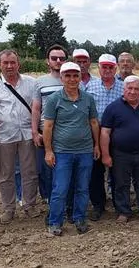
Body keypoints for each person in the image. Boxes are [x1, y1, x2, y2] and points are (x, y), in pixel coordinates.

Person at [43, 62, 100, 236]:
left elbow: (93, 123)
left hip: (85, 151)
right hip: (62, 152)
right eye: (67, 76)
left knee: (82, 187)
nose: (72, 79)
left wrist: (96, 144)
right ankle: (55, 222)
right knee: (60, 189)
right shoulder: (54, 99)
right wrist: (48, 151)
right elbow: (48, 126)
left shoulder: (88, 98)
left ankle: (79, 218)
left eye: (75, 75)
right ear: (61, 78)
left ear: (80, 78)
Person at [0, 49, 41, 223]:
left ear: (19, 64)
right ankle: (9, 208)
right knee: (5, 174)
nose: (9, 66)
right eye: (5, 63)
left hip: (27, 134)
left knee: (30, 172)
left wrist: (35, 130)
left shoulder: (32, 83)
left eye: (13, 62)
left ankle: (29, 205)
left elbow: (36, 108)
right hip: (4, 135)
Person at [100, 75, 139, 224]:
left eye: (136, 89)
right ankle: (123, 211)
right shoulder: (113, 108)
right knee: (120, 183)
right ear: (124, 89)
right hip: (120, 154)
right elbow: (105, 132)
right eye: (129, 88)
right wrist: (106, 155)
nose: (132, 92)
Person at [85, 53, 124, 220]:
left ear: (115, 68)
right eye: (104, 67)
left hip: (117, 135)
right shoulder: (89, 87)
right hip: (95, 134)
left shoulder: (123, 87)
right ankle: (98, 205)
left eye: (110, 67)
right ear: (98, 68)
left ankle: (119, 204)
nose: (107, 70)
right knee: (96, 173)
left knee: (118, 172)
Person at [31, 45, 67, 205]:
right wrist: (34, 131)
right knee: (46, 168)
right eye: (54, 58)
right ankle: (50, 200)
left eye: (62, 58)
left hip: (66, 131)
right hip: (45, 131)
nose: (58, 61)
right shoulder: (40, 82)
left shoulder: (72, 79)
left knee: (64, 167)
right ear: (48, 61)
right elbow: (36, 108)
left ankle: (64, 200)